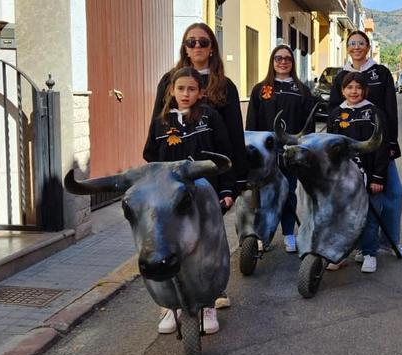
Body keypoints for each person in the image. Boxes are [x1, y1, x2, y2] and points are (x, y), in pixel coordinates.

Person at [152, 22, 246, 311]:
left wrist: (236, 181)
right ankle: (174, 299)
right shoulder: (169, 80)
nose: (197, 47)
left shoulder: (225, 86)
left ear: (212, 48)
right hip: (176, 179)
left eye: (203, 42)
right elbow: (158, 130)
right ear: (184, 46)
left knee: (209, 236)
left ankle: (214, 289)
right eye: (191, 42)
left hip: (211, 178)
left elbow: (234, 137)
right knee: (175, 237)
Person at [143, 66, 234, 336]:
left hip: (205, 199)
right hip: (172, 204)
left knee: (206, 254)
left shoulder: (210, 117)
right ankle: (172, 308)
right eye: (181, 88)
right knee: (171, 252)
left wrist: (227, 191)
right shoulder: (161, 122)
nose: (185, 93)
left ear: (201, 92)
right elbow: (150, 157)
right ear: (171, 90)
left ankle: (208, 307)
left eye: (191, 89)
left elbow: (224, 156)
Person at [329, 30, 402, 259]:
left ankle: (388, 242)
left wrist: (391, 142)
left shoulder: (381, 72)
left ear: (368, 46)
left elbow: (390, 109)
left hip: (378, 146)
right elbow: (334, 109)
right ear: (347, 47)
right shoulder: (340, 76)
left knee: (394, 193)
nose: (356, 47)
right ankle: (360, 245)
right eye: (352, 43)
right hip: (349, 151)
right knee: (353, 198)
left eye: (361, 43)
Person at [246, 44, 318, 254]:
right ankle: (262, 235)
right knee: (262, 195)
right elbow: (251, 124)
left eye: (287, 58)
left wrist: (303, 149)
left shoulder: (302, 90)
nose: (283, 62)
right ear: (272, 61)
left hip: (290, 152)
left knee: (288, 193)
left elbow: (309, 125)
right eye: (279, 58)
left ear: (292, 62)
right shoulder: (261, 89)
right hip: (265, 153)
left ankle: (288, 234)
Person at [326, 72, 389, 274]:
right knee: (342, 216)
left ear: (365, 90)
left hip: (369, 174)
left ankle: (369, 253)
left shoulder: (374, 112)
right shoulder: (335, 113)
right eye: (349, 87)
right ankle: (342, 254)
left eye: (358, 87)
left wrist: (378, 177)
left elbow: (382, 146)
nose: (354, 91)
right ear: (342, 90)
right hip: (343, 176)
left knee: (370, 214)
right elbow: (329, 146)